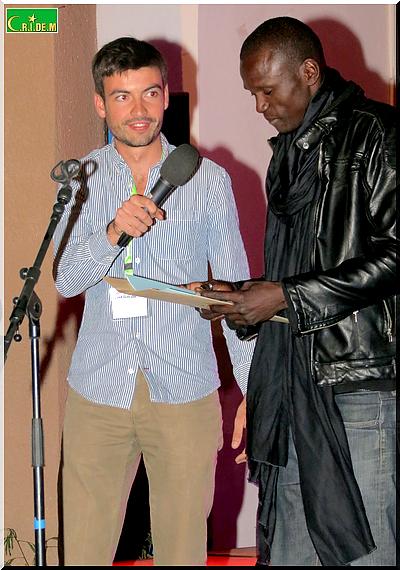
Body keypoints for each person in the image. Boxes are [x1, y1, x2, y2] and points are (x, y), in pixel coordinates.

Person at [197, 16, 397, 567]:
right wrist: (242, 297)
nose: (259, 106)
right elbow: (295, 268)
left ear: (309, 73)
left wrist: (286, 296)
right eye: (252, 93)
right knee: (289, 550)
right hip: (291, 383)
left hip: (357, 383)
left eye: (267, 90)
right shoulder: (288, 152)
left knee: (367, 553)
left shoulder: (378, 134)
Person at [53, 36, 255, 567]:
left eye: (149, 93)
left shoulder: (208, 181)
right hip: (99, 389)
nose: (138, 109)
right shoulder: (80, 180)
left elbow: (237, 295)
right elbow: (66, 280)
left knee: (182, 551)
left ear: (166, 95)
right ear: (101, 104)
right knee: (84, 551)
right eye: (122, 96)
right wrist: (111, 232)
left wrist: (252, 387)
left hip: (185, 387)